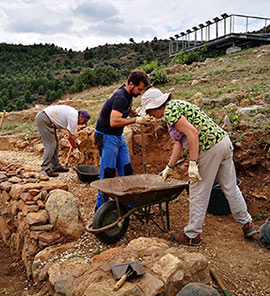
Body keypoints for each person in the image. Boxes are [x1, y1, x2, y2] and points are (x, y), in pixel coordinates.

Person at [139, 87, 256, 245]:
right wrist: (169, 167)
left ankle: (192, 235)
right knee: (230, 187)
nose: (149, 115)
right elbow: (178, 144)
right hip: (223, 143)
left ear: (156, 105)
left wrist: (193, 163)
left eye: (149, 111)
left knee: (198, 191)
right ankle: (247, 224)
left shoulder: (169, 111)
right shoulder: (176, 107)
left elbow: (192, 133)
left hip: (209, 148)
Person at [95, 70, 151, 209]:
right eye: (139, 89)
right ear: (131, 84)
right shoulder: (121, 97)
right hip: (107, 136)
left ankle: (129, 205)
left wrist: (134, 113)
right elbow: (114, 121)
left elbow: (124, 107)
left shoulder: (126, 93)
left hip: (118, 137)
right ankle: (101, 209)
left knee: (127, 170)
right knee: (108, 174)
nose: (140, 93)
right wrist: (136, 120)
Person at [36, 105, 91, 177]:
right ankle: (45, 169)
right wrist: (75, 149)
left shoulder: (73, 114)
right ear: (81, 117)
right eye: (83, 122)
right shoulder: (73, 117)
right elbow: (70, 137)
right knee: (50, 145)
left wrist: (75, 140)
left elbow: (71, 134)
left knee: (55, 143)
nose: (82, 124)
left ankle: (55, 166)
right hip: (44, 119)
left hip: (46, 118)